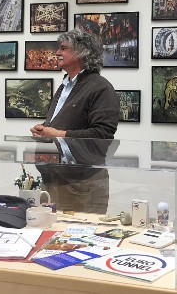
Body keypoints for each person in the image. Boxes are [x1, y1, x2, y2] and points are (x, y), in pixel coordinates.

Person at [30, 28, 119, 214]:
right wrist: (44, 130)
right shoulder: (65, 86)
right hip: (56, 179)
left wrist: (55, 134)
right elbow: (65, 124)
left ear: (82, 52)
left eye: (63, 48)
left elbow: (102, 136)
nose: (57, 53)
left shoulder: (100, 88)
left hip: (82, 184)